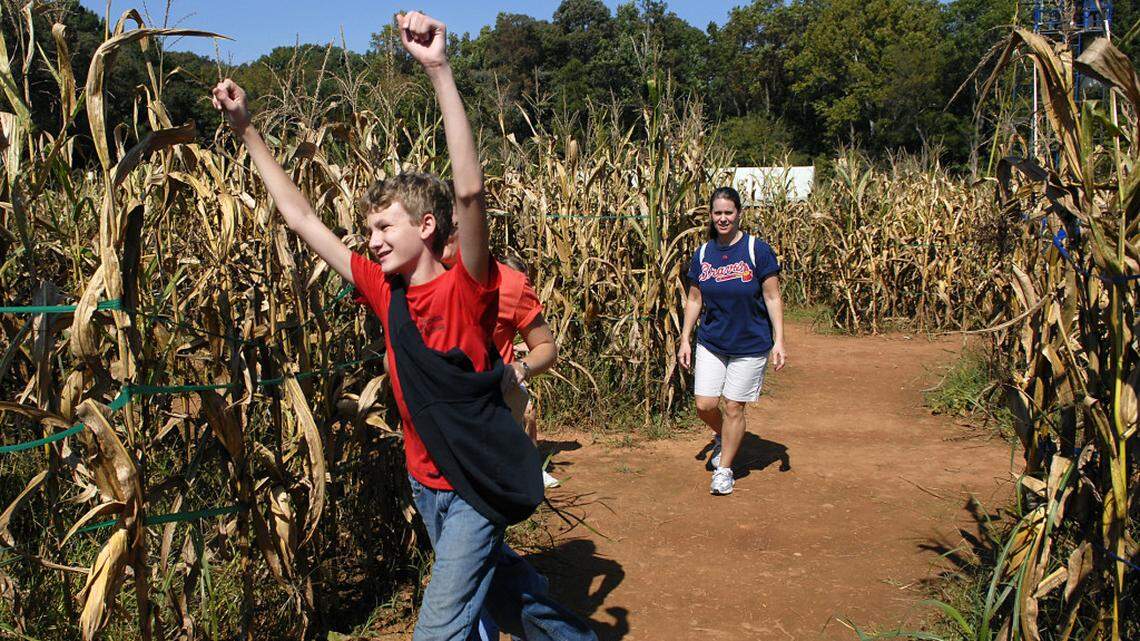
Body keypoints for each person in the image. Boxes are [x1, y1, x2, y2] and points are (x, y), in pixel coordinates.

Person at [211, 12, 596, 641]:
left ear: (424, 228)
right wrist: (246, 128)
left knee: (438, 629)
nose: (372, 240)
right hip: (427, 485)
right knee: (503, 596)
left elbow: (469, 193)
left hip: (473, 488)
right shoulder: (380, 289)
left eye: (384, 227)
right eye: (368, 231)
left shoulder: (466, 288)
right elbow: (300, 215)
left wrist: (438, 69)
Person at [676, 186, 786, 496]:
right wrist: (685, 338)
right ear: (710, 216)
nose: (723, 218)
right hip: (712, 340)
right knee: (704, 404)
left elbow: (772, 295)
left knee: (735, 406)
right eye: (717, 213)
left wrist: (779, 340)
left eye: (729, 212)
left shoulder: (757, 251)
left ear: (739, 214)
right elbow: (694, 299)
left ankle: (724, 469)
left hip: (750, 343)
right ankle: (724, 436)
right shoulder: (703, 254)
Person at [443, 237, 561, 489]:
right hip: (436, 429)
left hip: (492, 415)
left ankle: (530, 470)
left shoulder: (510, 283)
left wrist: (521, 367)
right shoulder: (414, 277)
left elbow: (546, 347)